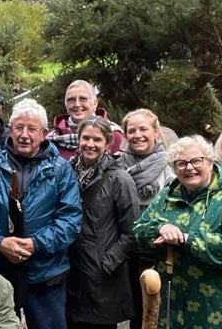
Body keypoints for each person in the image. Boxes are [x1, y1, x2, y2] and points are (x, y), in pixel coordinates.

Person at [0, 98, 82, 329]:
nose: (24, 134)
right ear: (10, 130)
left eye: (32, 129)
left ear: (44, 133)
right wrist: (0, 242)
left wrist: (35, 244)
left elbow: (70, 220)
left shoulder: (61, 169)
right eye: (19, 128)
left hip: (46, 272)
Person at [133, 135, 222, 329]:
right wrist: (160, 228)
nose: (189, 167)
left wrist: (186, 239)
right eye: (181, 163)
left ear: (210, 162)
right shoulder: (167, 196)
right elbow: (138, 230)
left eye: (196, 161)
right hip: (176, 305)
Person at [66, 116, 140, 329]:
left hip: (103, 280)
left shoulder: (120, 179)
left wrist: (106, 264)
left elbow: (132, 232)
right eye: (85, 138)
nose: (90, 144)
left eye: (97, 139)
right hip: (72, 272)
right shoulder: (67, 172)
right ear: (78, 140)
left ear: (107, 143)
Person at [120, 108, 175, 329]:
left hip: (160, 253)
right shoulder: (117, 167)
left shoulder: (171, 167)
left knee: (159, 313)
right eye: (131, 131)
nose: (137, 135)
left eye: (143, 129)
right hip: (126, 253)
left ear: (155, 132)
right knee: (135, 313)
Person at [49, 80, 124, 160]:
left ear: (95, 103)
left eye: (83, 99)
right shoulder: (52, 140)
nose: (77, 104)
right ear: (66, 105)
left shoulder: (114, 135)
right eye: (71, 100)